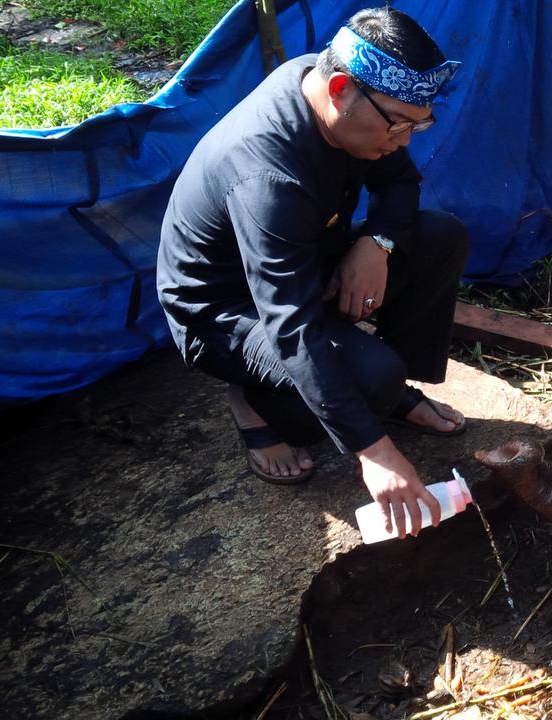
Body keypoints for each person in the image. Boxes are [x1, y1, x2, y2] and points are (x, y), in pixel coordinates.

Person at [156, 6, 468, 538]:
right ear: (341, 89)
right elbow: (293, 327)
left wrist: (376, 243)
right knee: (369, 378)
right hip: (224, 312)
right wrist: (375, 454)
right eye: (399, 123)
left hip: (301, 260)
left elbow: (400, 185)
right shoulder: (266, 173)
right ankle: (255, 403)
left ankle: (390, 399)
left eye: (420, 124)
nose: (405, 139)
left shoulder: (333, 92)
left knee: (440, 236)